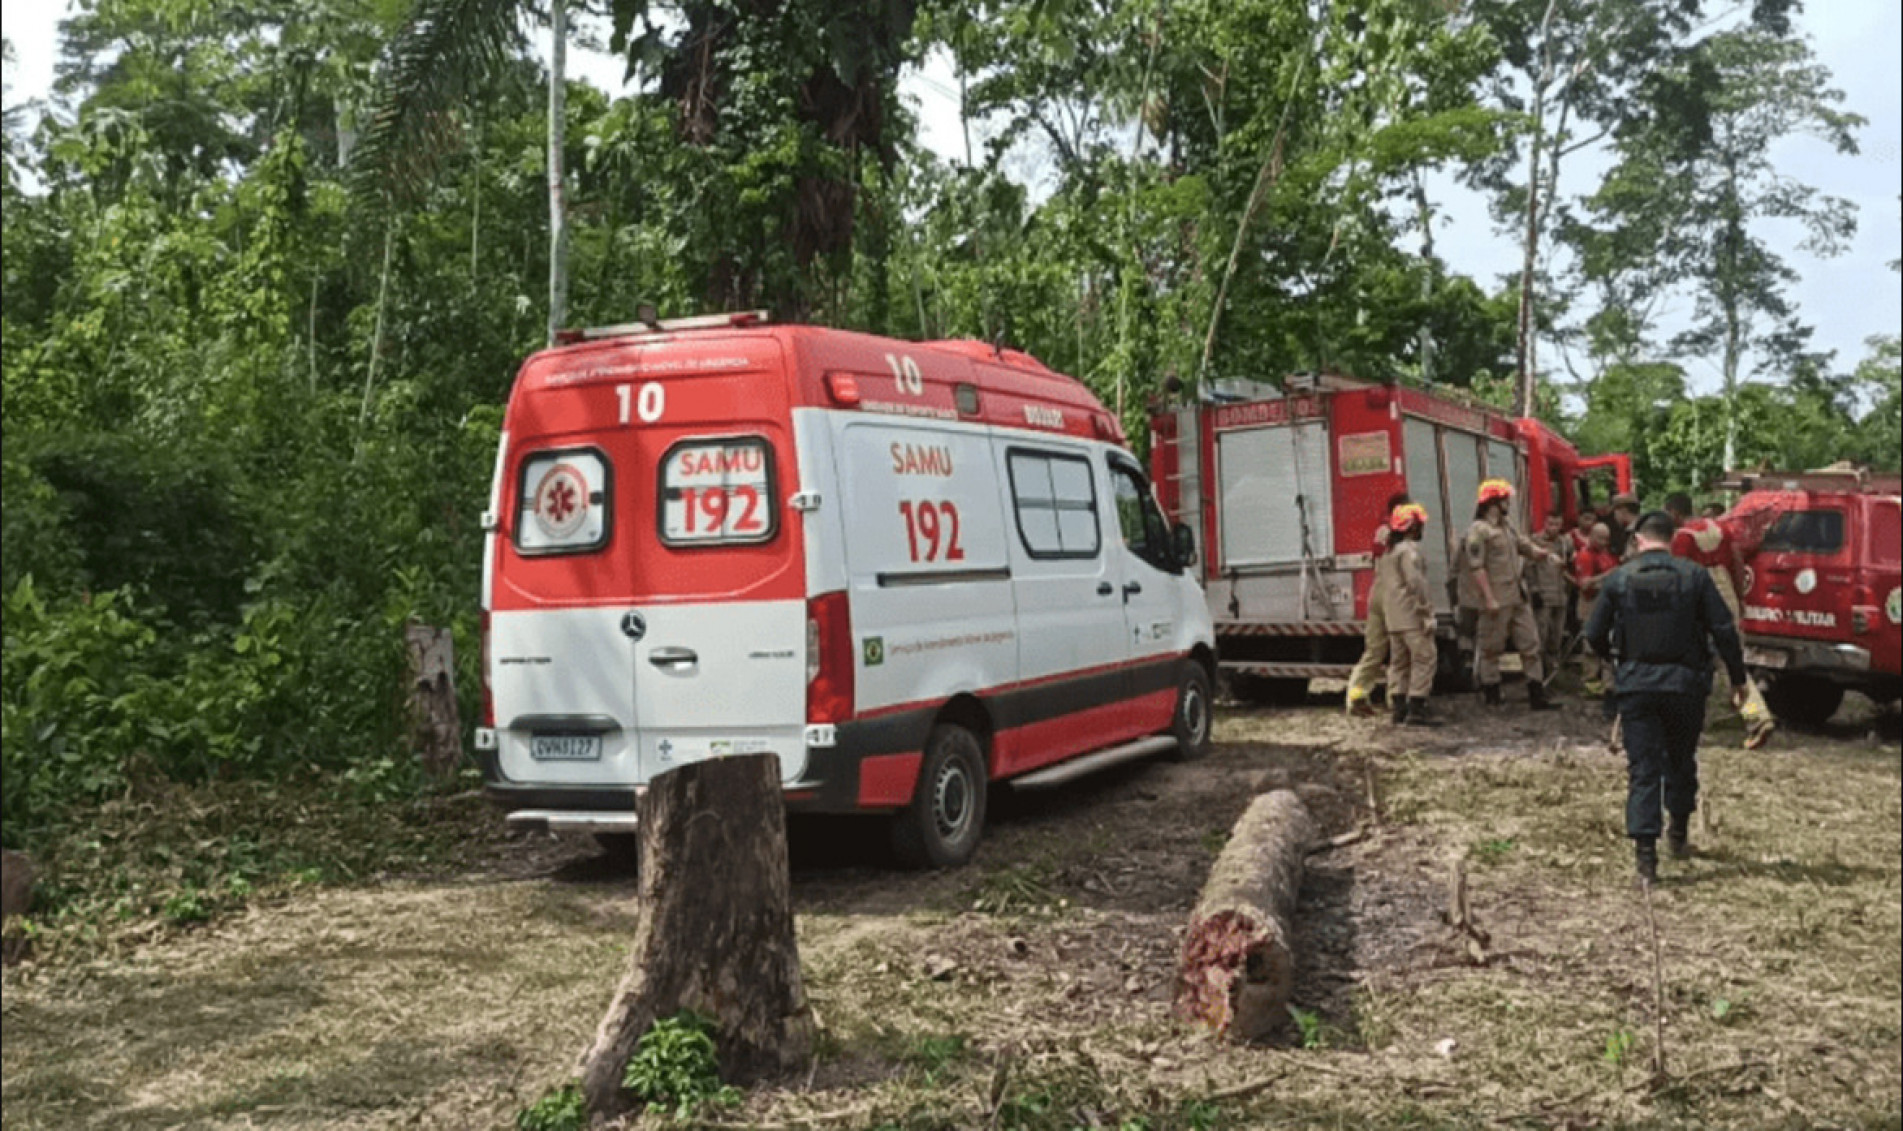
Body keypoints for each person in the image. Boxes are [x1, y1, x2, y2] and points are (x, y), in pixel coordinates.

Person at [1584, 510, 1750, 885]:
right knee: (1681, 759)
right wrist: (1738, 680)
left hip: (1637, 686)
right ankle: (1678, 832)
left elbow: (1593, 633)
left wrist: (1617, 662)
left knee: (1644, 770)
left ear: (1639, 540)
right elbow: (1724, 629)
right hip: (1685, 685)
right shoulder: (1695, 577)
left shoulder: (1620, 579)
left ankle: (1646, 860)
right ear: (1672, 540)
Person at [1665, 492, 1775, 749]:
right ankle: (1750, 717)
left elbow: (1680, 575)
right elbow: (1737, 562)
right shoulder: (1721, 529)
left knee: (1698, 664)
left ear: (1673, 513)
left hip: (1700, 602)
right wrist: (1739, 598)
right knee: (1730, 661)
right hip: (1727, 597)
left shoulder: (1683, 537)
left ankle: (1755, 717)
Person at [1465, 479, 1560, 710]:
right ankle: (1492, 695)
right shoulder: (1479, 531)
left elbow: (1524, 546)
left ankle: (1537, 694)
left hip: (1518, 595)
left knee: (1531, 643)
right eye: (1504, 500)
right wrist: (1488, 598)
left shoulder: (1507, 527)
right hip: (1497, 597)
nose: (1508, 504)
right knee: (1491, 647)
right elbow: (1476, 567)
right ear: (1493, 503)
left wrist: (1545, 555)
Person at [1345, 491, 1414, 717]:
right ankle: (1393, 700)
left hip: (1379, 592)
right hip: (1391, 595)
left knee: (1376, 651)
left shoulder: (1384, 531)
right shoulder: (1393, 532)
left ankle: (1360, 696)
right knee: (1397, 650)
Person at [1379, 503, 1439, 727]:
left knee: (1399, 664)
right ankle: (1417, 709)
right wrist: (1426, 613)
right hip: (1412, 618)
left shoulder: (1388, 553)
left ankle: (1398, 709)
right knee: (1425, 658)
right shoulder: (1408, 552)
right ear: (1412, 527)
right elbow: (1416, 583)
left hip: (1393, 620)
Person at [1572, 523, 1620, 693]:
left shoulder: (1606, 554)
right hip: (1590, 603)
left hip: (1606, 603)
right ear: (1591, 536)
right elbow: (1584, 584)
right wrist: (1608, 575)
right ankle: (1590, 684)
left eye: (1606, 539)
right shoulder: (1585, 556)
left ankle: (1607, 684)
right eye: (1600, 538)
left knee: (1608, 642)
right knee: (1590, 645)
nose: (1604, 542)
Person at [1529, 512, 1573, 680]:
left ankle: (1554, 672)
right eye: (1550, 524)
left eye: (1557, 524)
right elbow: (1529, 568)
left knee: (1557, 634)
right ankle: (1539, 673)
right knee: (1542, 634)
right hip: (1544, 594)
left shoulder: (1564, 543)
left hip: (1560, 594)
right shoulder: (1536, 542)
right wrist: (1534, 590)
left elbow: (1569, 565)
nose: (1553, 528)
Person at [1608, 493, 1641, 560]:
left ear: (1623, 510)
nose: (1614, 516)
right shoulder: (1644, 526)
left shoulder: (1638, 530)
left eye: (1615, 512)